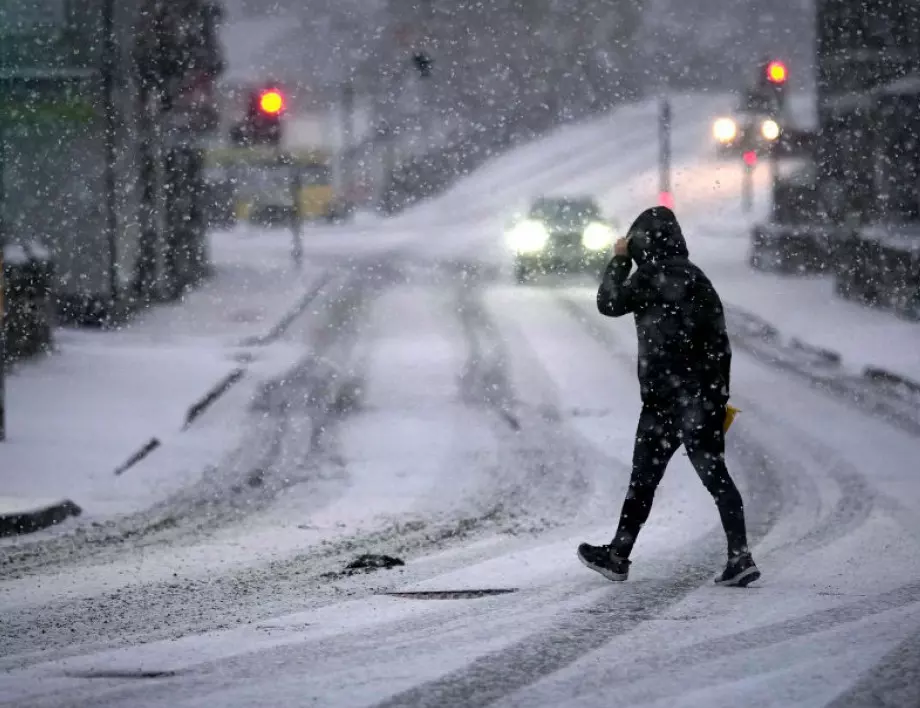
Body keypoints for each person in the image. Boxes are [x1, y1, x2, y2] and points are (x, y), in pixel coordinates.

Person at [577, 206, 760, 587]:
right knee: (717, 477)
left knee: (642, 482)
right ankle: (740, 556)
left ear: (643, 243)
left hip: (662, 403)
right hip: (703, 400)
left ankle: (618, 556)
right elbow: (721, 345)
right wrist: (716, 396)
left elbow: (608, 303)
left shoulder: (648, 277)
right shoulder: (699, 279)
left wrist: (618, 262)